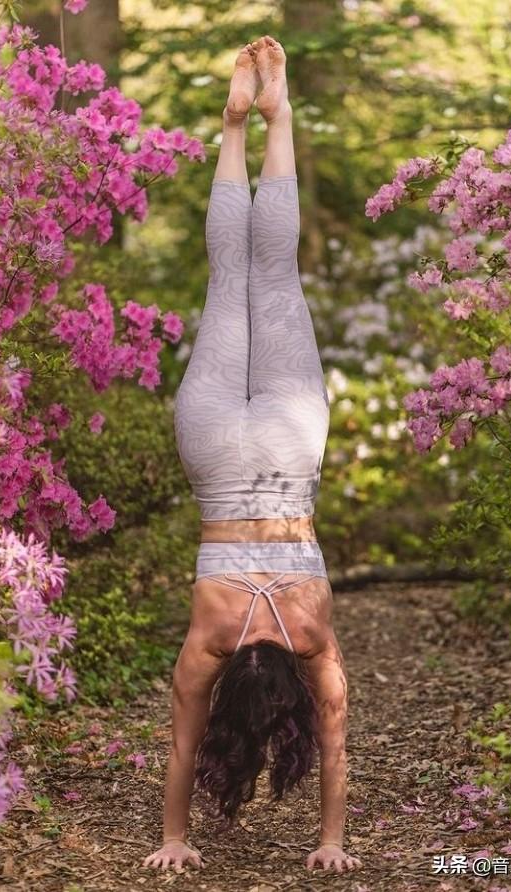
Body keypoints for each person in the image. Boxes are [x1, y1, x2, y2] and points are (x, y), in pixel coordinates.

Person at [142, 36, 361, 876]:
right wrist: (173, 835)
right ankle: (234, 123)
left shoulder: (310, 636)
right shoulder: (205, 645)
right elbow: (179, 750)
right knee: (227, 272)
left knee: (273, 276)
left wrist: (332, 840)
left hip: (287, 441)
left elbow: (336, 742)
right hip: (214, 457)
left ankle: (277, 114)